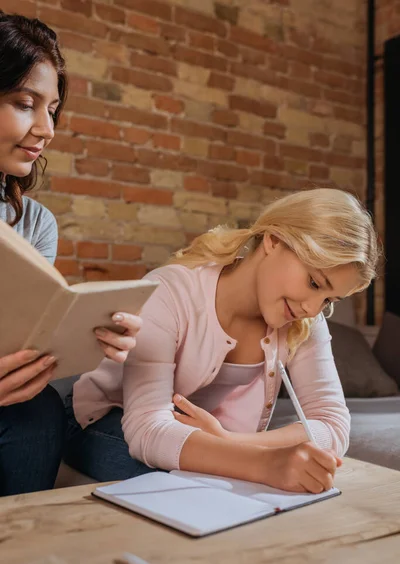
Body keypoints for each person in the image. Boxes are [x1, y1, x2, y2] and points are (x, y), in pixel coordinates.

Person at [67, 188, 379, 493]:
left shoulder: (305, 319)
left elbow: (333, 424)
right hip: (107, 419)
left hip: (204, 438)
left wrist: (231, 443)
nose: (312, 308)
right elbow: (147, 427)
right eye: (314, 282)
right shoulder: (170, 290)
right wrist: (265, 463)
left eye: (328, 300)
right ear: (274, 240)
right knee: (194, 490)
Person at [0, 12, 141, 496]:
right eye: (24, 103)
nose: (47, 128)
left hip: (11, 398)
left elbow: (29, 330)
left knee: (37, 409)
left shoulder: (34, 223)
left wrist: (92, 337)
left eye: (52, 109)